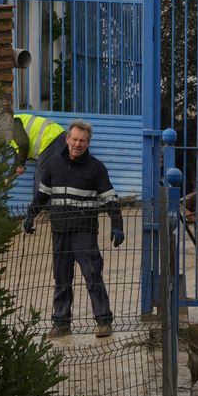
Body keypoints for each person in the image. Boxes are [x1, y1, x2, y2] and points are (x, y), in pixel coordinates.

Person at [23, 121, 124, 339]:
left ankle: (104, 321)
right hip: (59, 230)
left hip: (84, 231)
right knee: (61, 278)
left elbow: (109, 198)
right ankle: (61, 324)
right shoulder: (53, 164)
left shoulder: (96, 168)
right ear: (67, 139)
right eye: (74, 139)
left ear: (88, 143)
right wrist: (31, 214)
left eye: (82, 140)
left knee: (92, 274)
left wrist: (117, 225)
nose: (77, 144)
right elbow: (42, 194)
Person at [9, 114, 66, 185]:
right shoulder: (12, 137)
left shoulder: (11, 123)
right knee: (43, 178)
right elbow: (17, 160)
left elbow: (23, 143)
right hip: (53, 138)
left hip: (51, 137)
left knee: (41, 180)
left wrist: (21, 165)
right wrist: (8, 179)